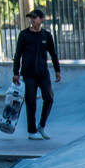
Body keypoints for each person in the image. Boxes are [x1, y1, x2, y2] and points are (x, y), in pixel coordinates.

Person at [12, 9, 62, 141]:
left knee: (49, 98)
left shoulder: (46, 36)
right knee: (31, 102)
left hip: (42, 73)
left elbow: (53, 54)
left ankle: (42, 126)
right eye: (31, 18)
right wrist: (15, 72)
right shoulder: (24, 35)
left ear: (41, 19)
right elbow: (18, 55)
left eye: (35, 18)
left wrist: (57, 70)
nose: (32, 20)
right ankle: (31, 131)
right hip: (28, 74)